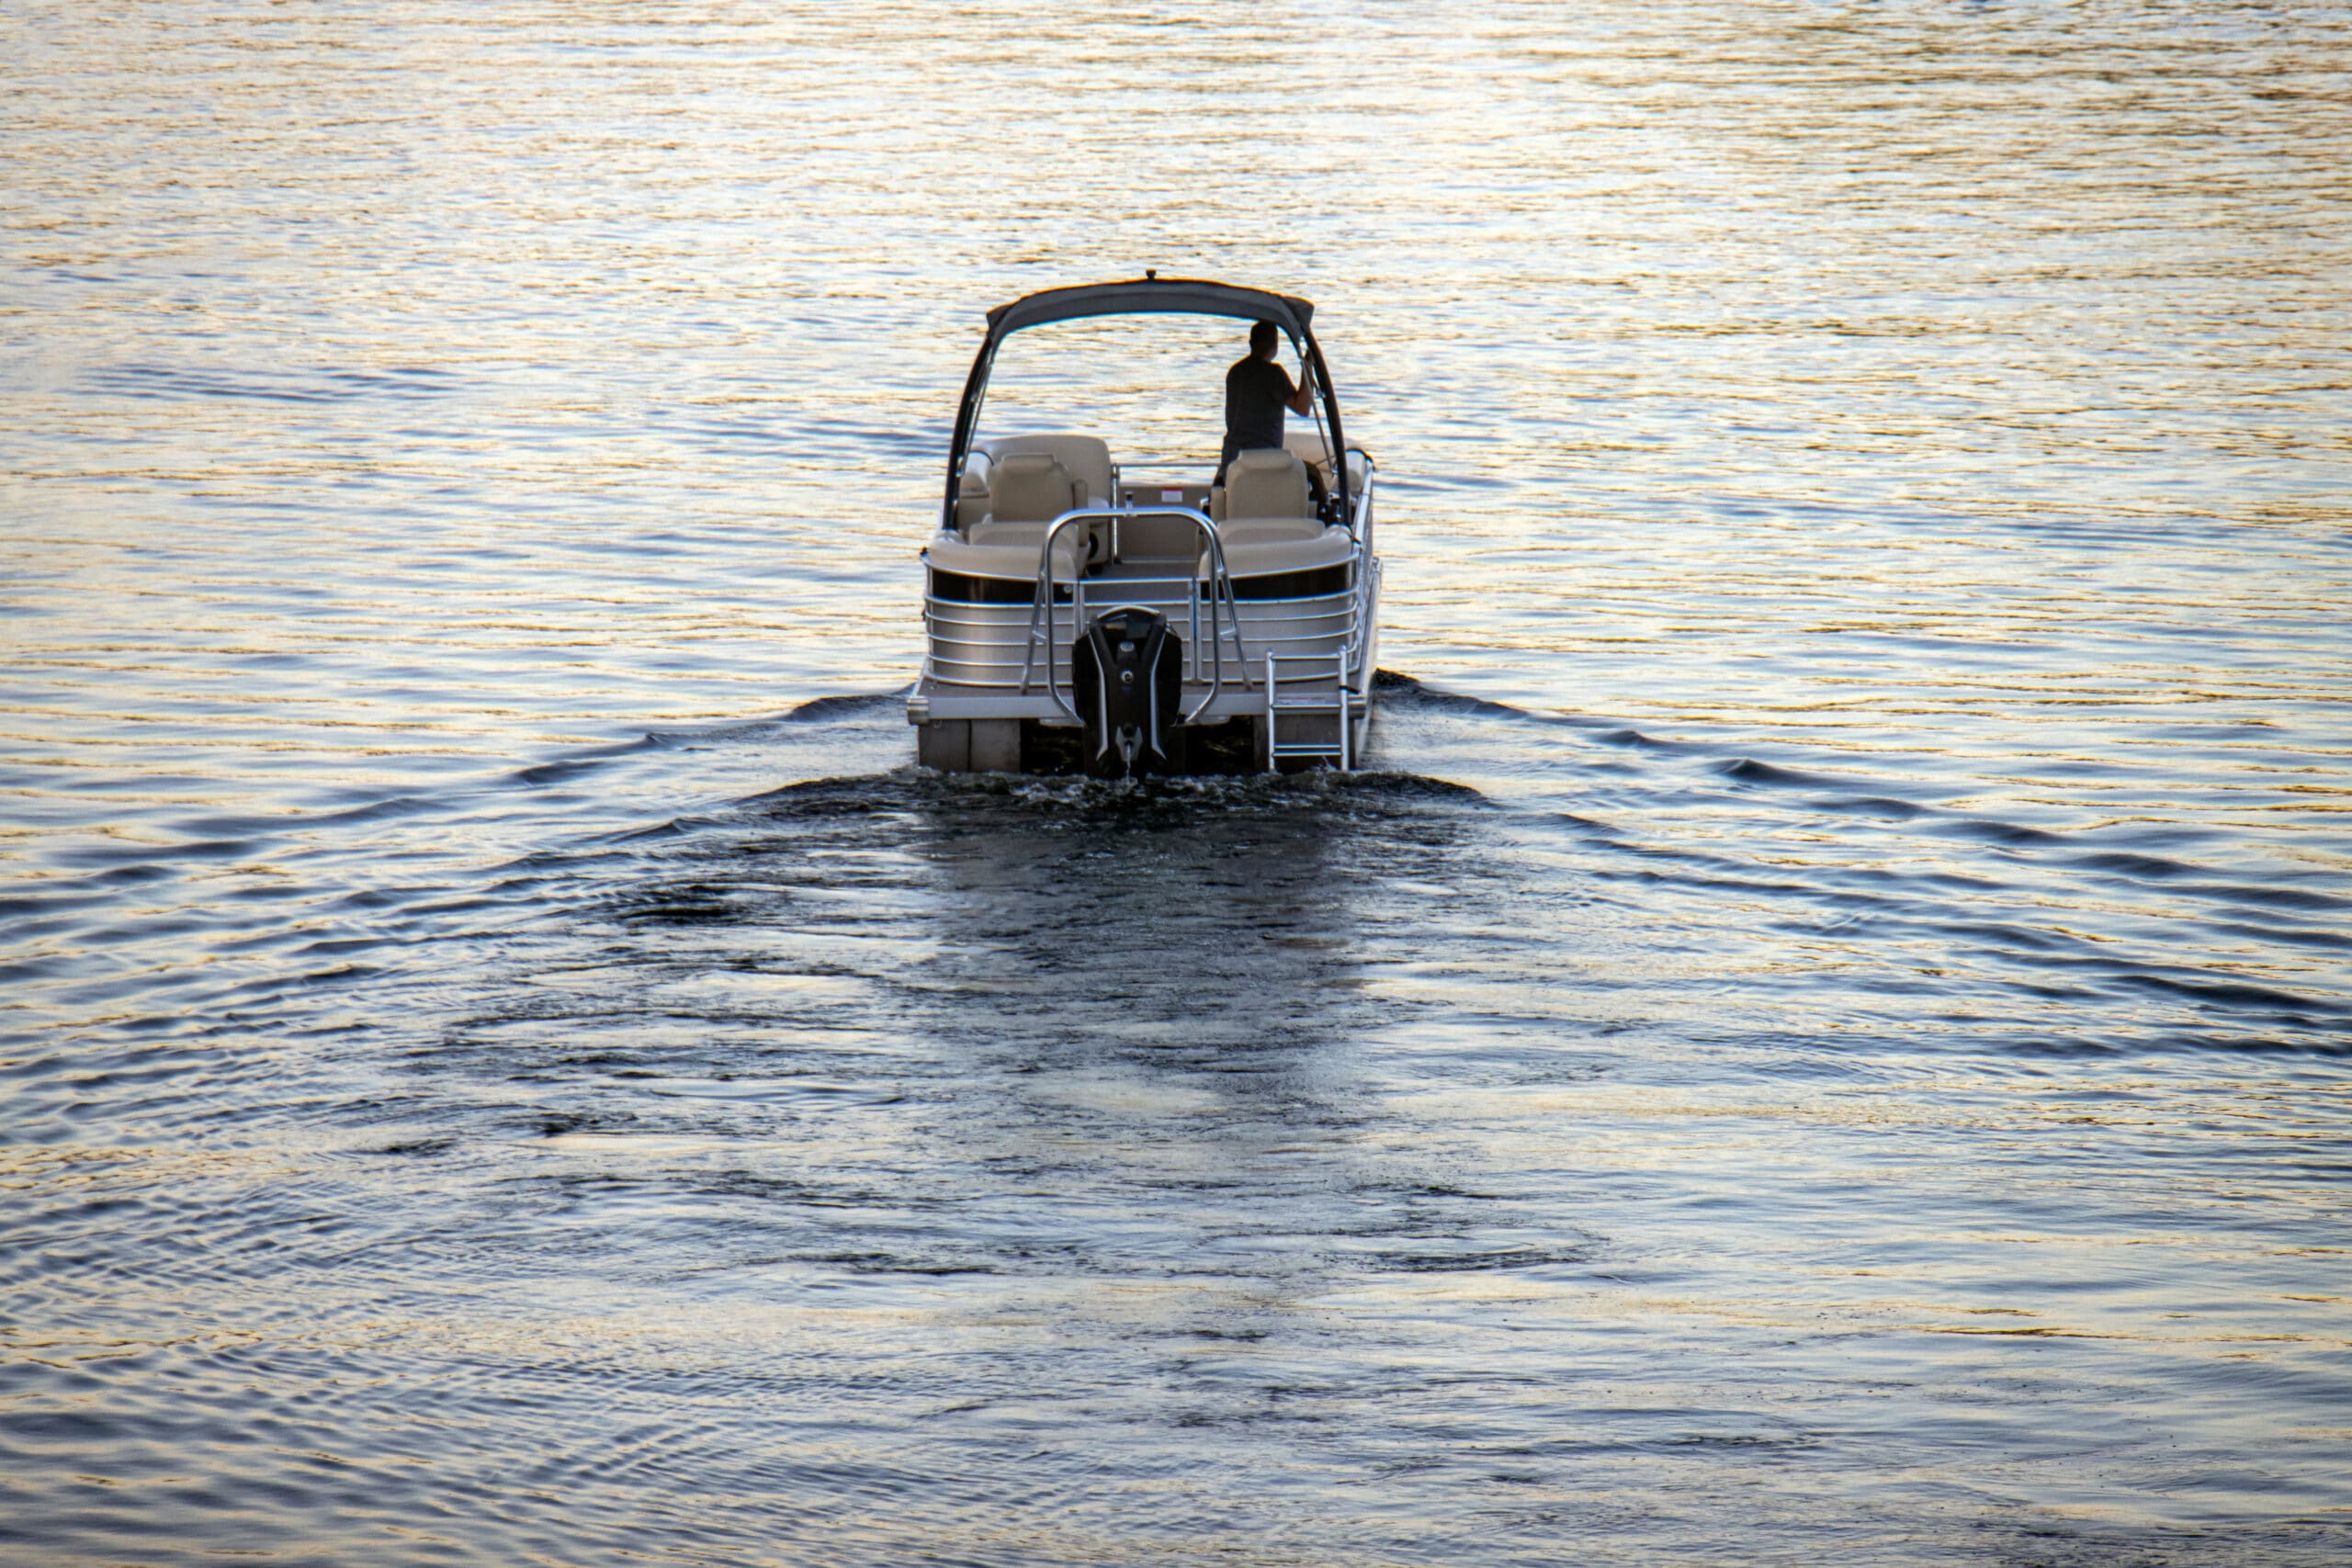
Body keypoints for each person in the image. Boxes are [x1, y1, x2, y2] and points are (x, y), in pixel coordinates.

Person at [1218, 321, 1322, 503]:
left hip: (1233, 461)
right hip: (1266, 460)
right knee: (1313, 474)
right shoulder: (1273, 374)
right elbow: (1303, 408)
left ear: (1251, 344)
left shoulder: (1235, 373)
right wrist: (1308, 366)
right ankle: (1324, 514)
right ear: (1275, 346)